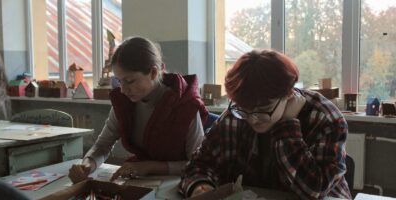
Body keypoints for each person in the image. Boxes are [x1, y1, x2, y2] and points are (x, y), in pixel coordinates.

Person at [179, 49, 352, 199]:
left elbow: (314, 191)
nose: (253, 118)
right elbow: (199, 164)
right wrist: (201, 187)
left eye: (264, 109)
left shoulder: (324, 117)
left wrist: (287, 127)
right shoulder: (237, 113)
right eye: (245, 108)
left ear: (288, 95)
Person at [69, 37, 208, 183]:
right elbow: (102, 145)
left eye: (129, 81)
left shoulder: (186, 105)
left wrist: (150, 167)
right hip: (140, 180)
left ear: (153, 73)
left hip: (179, 183)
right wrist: (87, 164)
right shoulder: (125, 103)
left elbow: (197, 164)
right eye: (119, 81)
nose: (122, 90)